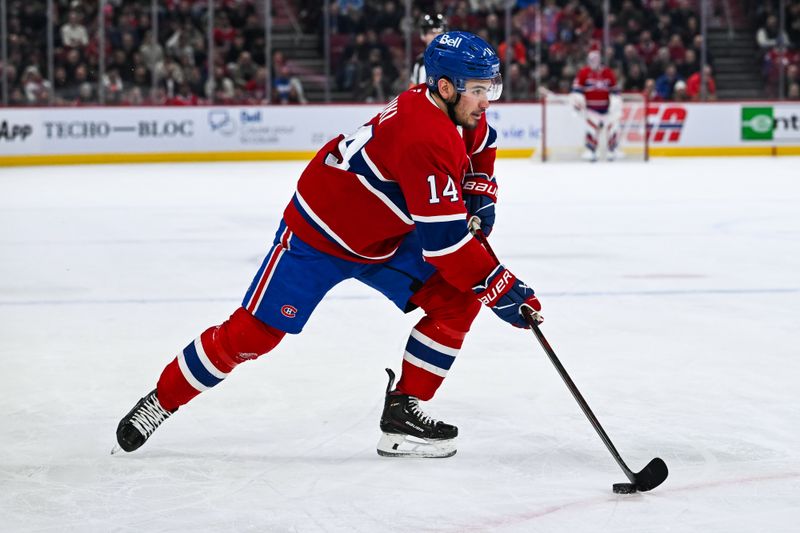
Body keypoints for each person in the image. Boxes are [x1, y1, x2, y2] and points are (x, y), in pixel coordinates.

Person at [114, 31, 543, 459]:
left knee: (457, 301)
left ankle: (402, 417)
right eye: (480, 90)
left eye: (491, 88)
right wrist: (500, 286)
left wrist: (480, 190)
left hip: (383, 236)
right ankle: (162, 400)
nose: (487, 101)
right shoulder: (424, 136)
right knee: (254, 334)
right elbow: (446, 246)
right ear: (446, 88)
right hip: (319, 234)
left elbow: (481, 142)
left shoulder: (450, 107)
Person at [570, 47, 623, 162]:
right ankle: (591, 150)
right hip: (590, 110)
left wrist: (615, 103)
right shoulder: (583, 73)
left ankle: (612, 149)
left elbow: (615, 91)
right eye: (591, 59)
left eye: (596, 59)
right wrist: (578, 101)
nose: (594, 62)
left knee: (614, 126)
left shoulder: (608, 73)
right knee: (591, 128)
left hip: (606, 110)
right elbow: (577, 91)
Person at [409, 13, 448, 87]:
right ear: (423, 35)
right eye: (431, 33)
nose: (436, 36)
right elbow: (413, 89)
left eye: (439, 32)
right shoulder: (420, 61)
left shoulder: (454, 59)